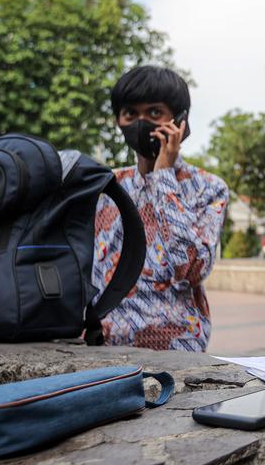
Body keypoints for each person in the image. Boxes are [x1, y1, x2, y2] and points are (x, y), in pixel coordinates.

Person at [92, 65, 229, 351]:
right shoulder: (105, 187)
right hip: (104, 343)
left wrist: (163, 176)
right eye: (131, 113)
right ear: (119, 120)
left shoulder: (209, 188)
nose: (141, 122)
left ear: (180, 121)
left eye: (154, 113)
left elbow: (190, 269)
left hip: (176, 345)